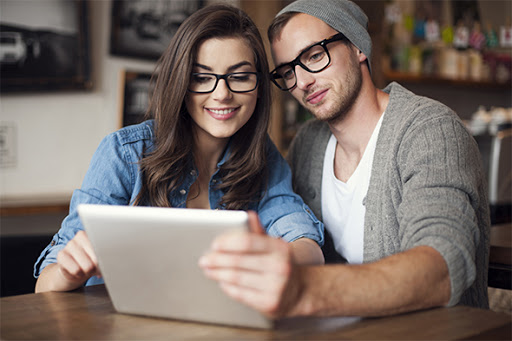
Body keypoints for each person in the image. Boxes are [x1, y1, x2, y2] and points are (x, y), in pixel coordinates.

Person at [199, 0, 490, 318]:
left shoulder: (429, 130)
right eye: (288, 71)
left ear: (357, 47)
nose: (303, 82)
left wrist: (306, 288)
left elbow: (442, 269)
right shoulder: (307, 145)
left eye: (314, 56)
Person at [34, 4, 325, 293]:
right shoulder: (124, 153)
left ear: (259, 85)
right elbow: (45, 287)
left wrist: (282, 257)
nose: (222, 94)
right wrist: (70, 271)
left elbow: (304, 243)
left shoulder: (263, 156)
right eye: (202, 78)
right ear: (180, 83)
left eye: (239, 76)